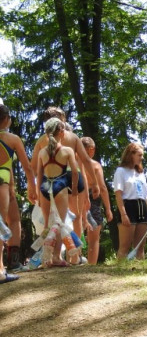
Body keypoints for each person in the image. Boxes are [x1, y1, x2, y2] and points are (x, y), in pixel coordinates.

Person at [31, 107, 96, 240]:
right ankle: (75, 251)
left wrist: (33, 188)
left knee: (52, 219)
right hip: (72, 177)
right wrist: (94, 183)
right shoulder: (73, 137)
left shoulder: (42, 140)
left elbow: (34, 167)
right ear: (62, 120)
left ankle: (52, 249)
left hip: (51, 179)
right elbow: (85, 160)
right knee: (76, 217)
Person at [34, 118, 80, 266]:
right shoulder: (67, 151)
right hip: (60, 186)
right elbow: (75, 172)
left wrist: (38, 194)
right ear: (61, 132)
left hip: (45, 186)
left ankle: (46, 258)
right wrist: (74, 189)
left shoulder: (42, 152)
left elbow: (39, 174)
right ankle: (56, 257)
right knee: (59, 224)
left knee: (47, 224)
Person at [0, 105, 34, 280]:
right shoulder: (12, 139)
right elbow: (27, 167)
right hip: (2, 183)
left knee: (13, 219)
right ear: (6, 119)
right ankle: (1, 270)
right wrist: (32, 186)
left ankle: (11, 263)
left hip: (8, 185)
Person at [80, 137, 114, 265]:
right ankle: (91, 265)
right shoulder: (95, 165)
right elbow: (102, 187)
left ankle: (74, 261)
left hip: (76, 197)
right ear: (91, 149)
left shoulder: (73, 164)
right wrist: (108, 208)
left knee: (75, 230)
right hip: (92, 199)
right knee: (94, 236)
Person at [113, 142, 147, 260]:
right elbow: (118, 194)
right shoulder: (121, 171)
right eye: (139, 155)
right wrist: (123, 214)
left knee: (140, 247)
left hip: (142, 206)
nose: (142, 158)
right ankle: (119, 269)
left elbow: (145, 194)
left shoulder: (141, 173)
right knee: (125, 246)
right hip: (128, 206)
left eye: (142, 155)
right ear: (131, 155)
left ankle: (140, 269)